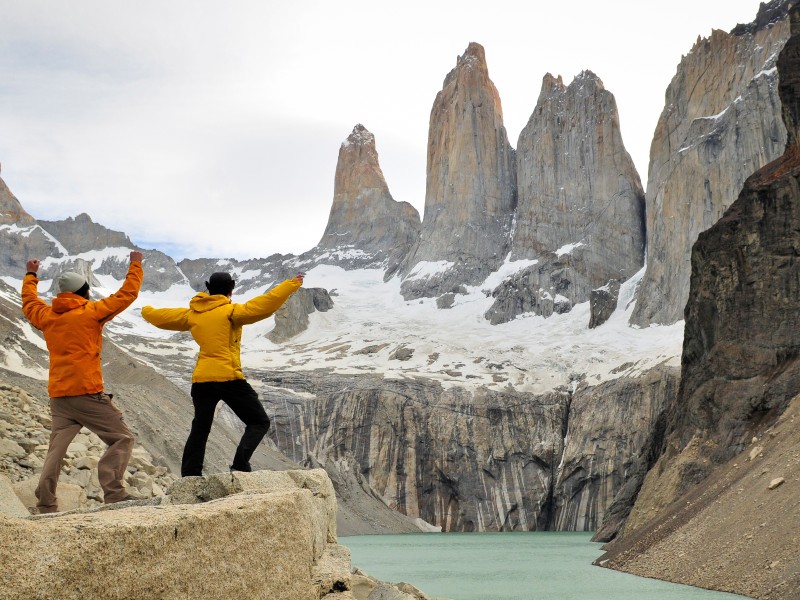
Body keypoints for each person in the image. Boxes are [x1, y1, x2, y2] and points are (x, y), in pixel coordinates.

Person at [141, 271, 304, 477]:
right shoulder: (232, 311)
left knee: (200, 428)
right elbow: (266, 304)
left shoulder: (192, 314)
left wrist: (145, 310)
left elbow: (161, 317)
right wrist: (290, 285)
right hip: (229, 378)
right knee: (259, 422)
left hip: (201, 381)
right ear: (231, 289)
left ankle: (191, 475)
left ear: (208, 287)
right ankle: (240, 466)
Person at [21, 251, 144, 513]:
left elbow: (29, 303)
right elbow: (126, 295)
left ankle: (45, 502)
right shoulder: (91, 312)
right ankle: (114, 492)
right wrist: (135, 265)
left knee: (56, 450)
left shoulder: (47, 316)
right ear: (85, 291)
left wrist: (31, 276)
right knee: (122, 437)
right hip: (87, 393)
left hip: (59, 396)